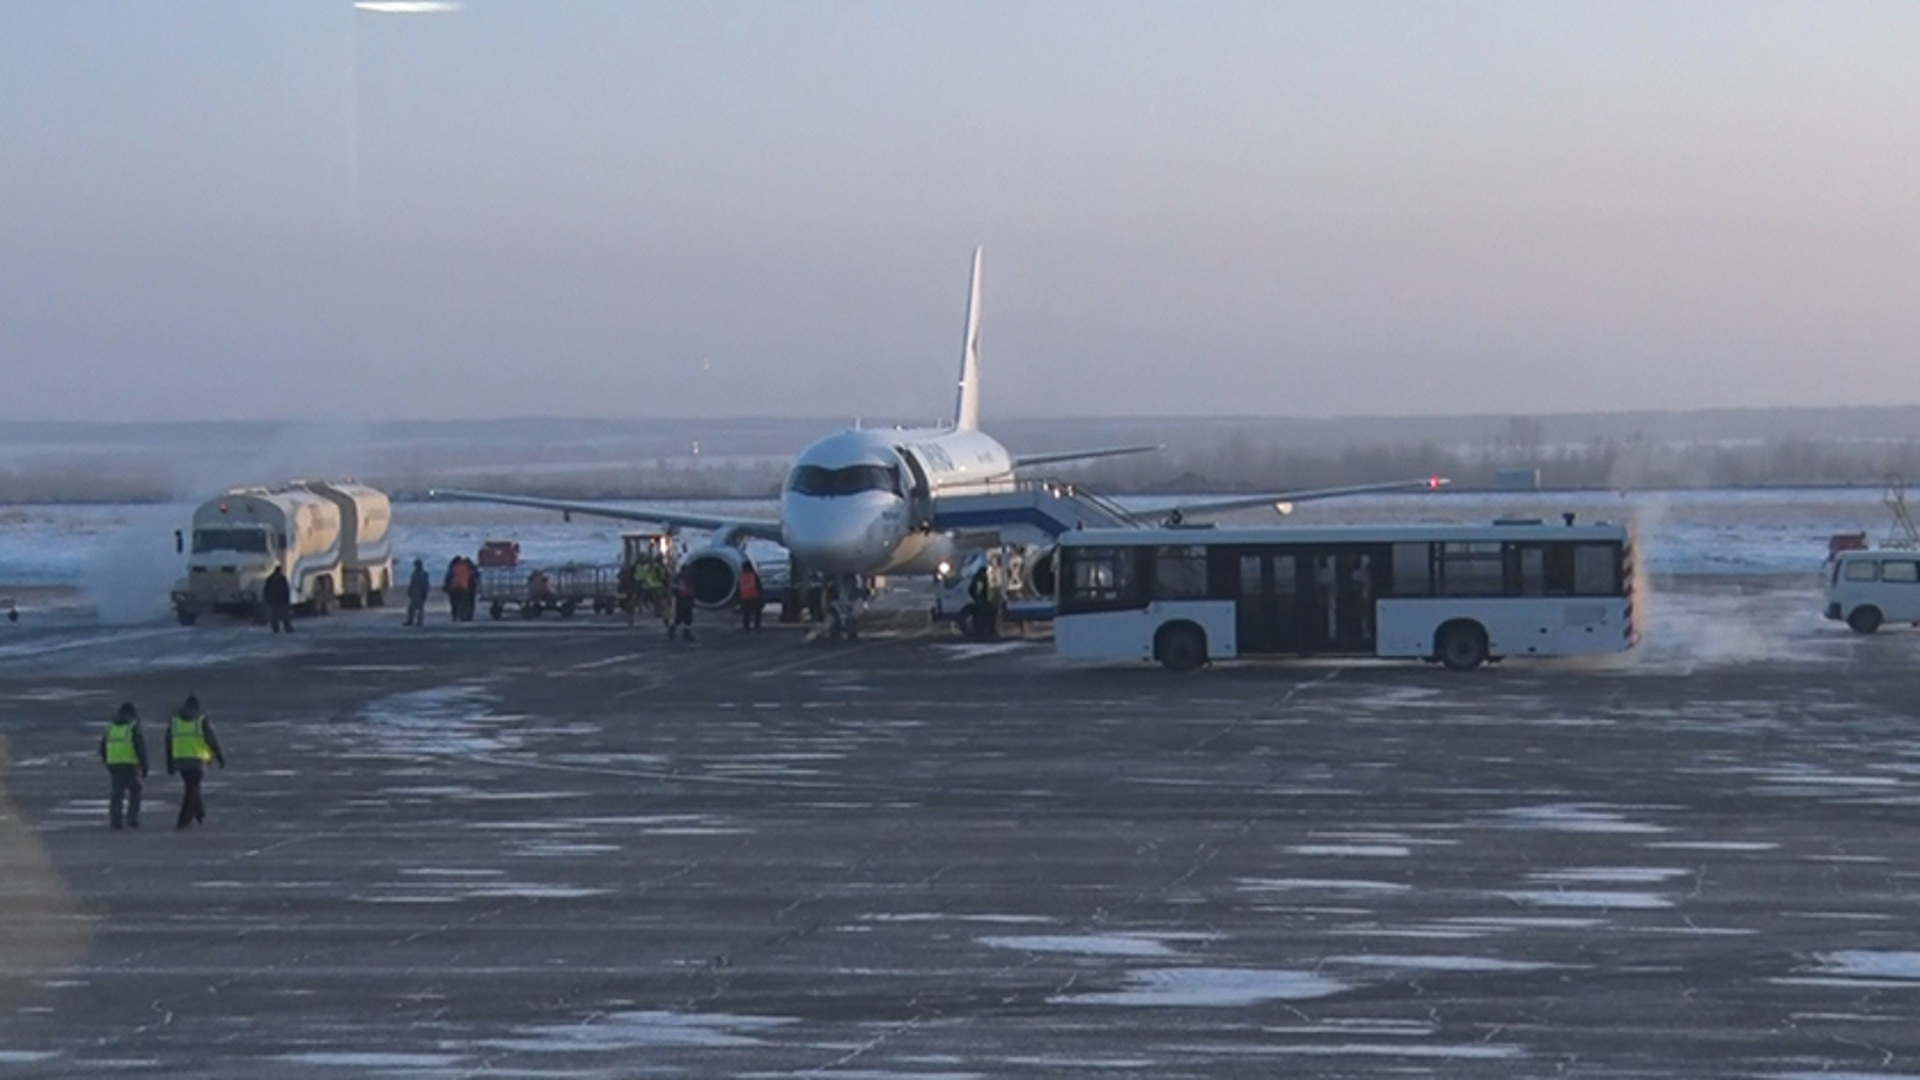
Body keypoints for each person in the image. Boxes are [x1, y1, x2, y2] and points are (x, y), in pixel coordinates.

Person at [165, 695, 226, 830]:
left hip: (180, 759)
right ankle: (184, 819)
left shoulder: (175, 721)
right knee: (192, 789)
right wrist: (219, 756)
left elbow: (168, 742)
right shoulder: (201, 720)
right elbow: (211, 739)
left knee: (191, 786)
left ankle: (198, 812)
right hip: (198, 759)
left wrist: (169, 763)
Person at [99, 701, 149, 830]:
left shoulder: (111, 727)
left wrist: (107, 762)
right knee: (135, 791)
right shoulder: (132, 726)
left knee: (117, 795)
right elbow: (140, 748)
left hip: (114, 764)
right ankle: (132, 819)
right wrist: (144, 766)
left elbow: (103, 747)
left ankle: (116, 821)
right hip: (131, 764)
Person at [263, 565, 293, 633]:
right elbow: (286, 590)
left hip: (273, 600)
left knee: (274, 615)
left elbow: (266, 590)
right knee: (285, 615)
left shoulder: (270, 579)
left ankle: (276, 628)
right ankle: (287, 627)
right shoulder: (282, 578)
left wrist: (267, 600)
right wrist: (287, 600)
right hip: (281, 600)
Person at [669, 567, 696, 641]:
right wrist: (678, 589)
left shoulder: (689, 578)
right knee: (679, 617)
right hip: (681, 599)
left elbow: (692, 589)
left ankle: (686, 633)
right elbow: (673, 587)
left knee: (688, 617)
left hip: (688, 599)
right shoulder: (678, 578)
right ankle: (672, 629)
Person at [737, 561, 764, 631]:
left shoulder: (742, 576)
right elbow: (759, 586)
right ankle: (757, 626)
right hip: (754, 596)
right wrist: (761, 596)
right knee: (757, 613)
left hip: (744, 597)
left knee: (746, 614)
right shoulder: (754, 576)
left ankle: (746, 627)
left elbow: (738, 588)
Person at [405, 558, 431, 626]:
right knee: (411, 608)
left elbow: (426, 584)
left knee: (420, 608)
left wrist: (425, 592)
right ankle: (410, 620)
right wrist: (410, 590)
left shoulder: (423, 574)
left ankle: (419, 621)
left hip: (420, 593)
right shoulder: (415, 573)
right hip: (415, 593)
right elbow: (412, 583)